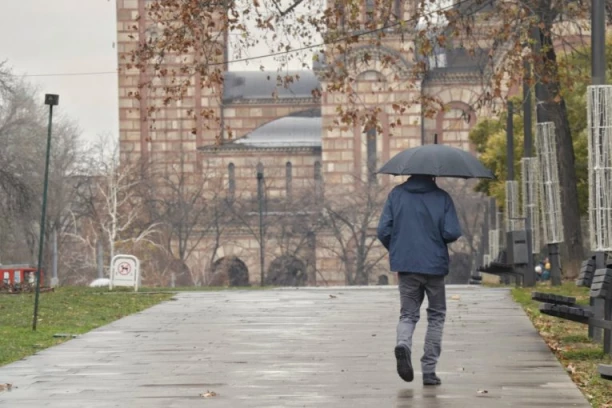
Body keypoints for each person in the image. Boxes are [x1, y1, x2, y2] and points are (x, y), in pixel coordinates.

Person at [377, 175, 462, 386]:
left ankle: (403, 345)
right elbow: (452, 231)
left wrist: (398, 248)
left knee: (407, 314)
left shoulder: (396, 195)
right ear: (432, 174)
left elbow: (382, 231)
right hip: (434, 266)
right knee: (436, 316)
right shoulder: (442, 197)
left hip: (406, 266)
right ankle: (429, 371)